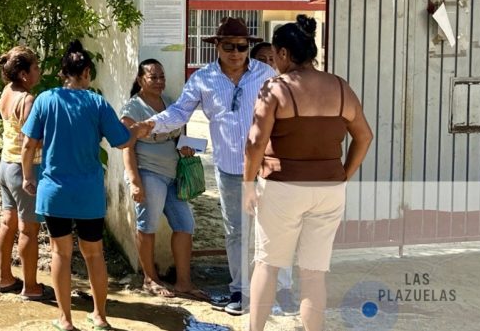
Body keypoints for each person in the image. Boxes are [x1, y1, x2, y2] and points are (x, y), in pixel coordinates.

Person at [125, 16, 279, 316]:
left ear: (248, 46)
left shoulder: (267, 74)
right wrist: (149, 125)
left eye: (242, 46)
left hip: (268, 166)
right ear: (217, 47)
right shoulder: (203, 79)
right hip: (231, 169)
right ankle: (241, 291)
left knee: (270, 229)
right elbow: (179, 112)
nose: (235, 52)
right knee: (236, 231)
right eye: (228, 46)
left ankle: (275, 290)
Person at [244, 16, 373, 331]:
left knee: (267, 264)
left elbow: (256, 142)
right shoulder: (341, 87)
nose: (273, 64)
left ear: (285, 54)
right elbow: (365, 136)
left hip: (281, 188)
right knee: (314, 274)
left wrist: (248, 183)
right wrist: (344, 173)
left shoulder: (275, 88)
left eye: (274, 57)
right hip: (328, 190)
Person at [22, 41, 133, 331]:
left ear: (62, 73)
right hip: (88, 194)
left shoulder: (45, 99)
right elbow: (121, 140)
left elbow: (27, 144)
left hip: (54, 191)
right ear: (85, 72)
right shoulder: (96, 103)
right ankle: (99, 317)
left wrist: (27, 177)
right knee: (93, 253)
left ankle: (66, 320)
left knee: (60, 253)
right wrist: (137, 129)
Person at [120, 59, 207, 301]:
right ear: (140, 80)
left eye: (162, 76)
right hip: (149, 173)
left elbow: (180, 135)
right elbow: (127, 147)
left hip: (173, 174)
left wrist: (186, 148)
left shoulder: (170, 103)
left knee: (185, 225)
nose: (159, 81)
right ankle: (150, 279)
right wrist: (135, 181)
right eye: (153, 77)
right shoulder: (133, 109)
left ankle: (183, 282)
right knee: (148, 225)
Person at [0, 46, 53, 301]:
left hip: (7, 165)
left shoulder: (8, 92)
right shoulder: (27, 100)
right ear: (24, 74)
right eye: (36, 67)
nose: (39, 71)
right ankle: (31, 286)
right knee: (29, 229)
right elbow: (34, 140)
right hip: (25, 169)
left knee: (8, 222)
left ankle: (5, 278)